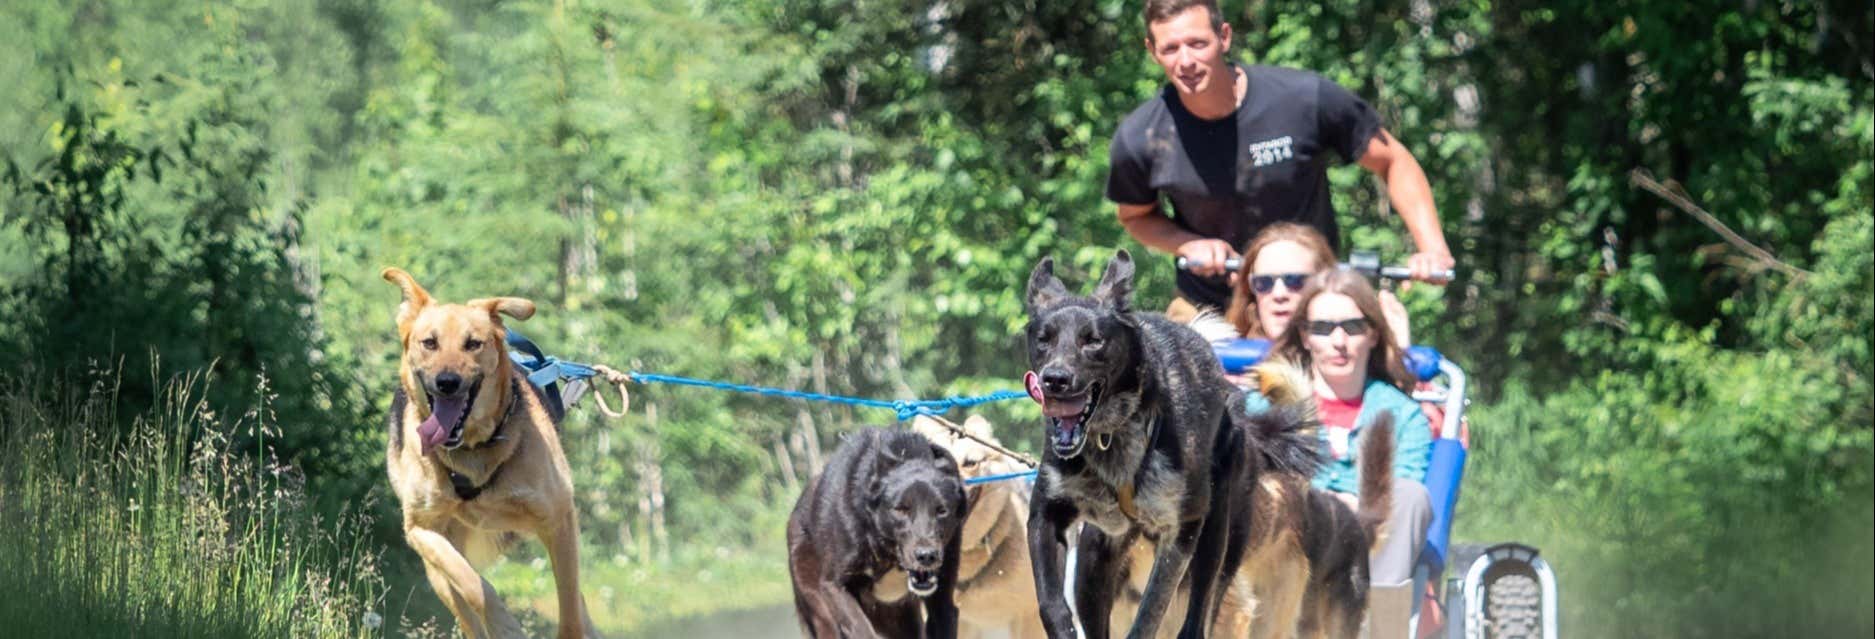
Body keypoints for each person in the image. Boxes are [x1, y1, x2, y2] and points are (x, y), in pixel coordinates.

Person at [1107, 0, 1455, 322]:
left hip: (1314, 297)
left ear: (1224, 37)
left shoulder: (1304, 99)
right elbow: (1136, 217)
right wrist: (1186, 243)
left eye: (1197, 43)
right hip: (1208, 306)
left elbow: (1392, 160)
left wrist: (1433, 250)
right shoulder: (1141, 136)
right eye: (1170, 48)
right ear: (1152, 52)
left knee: (1370, 369)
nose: (1185, 61)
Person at [1260, 267, 1434, 587]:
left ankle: (1381, 624)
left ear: (1373, 334)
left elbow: (1402, 496)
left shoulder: (1405, 416)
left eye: (1352, 327)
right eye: (1323, 329)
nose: (1339, 341)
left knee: (1410, 494)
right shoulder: (1267, 406)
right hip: (1284, 554)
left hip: (1371, 553)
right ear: (1305, 336)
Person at [1225, 222, 1413, 346]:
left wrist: (1397, 354)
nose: (1279, 294)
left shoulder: (1357, 361)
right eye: (1263, 283)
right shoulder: (1223, 367)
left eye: (1296, 281)